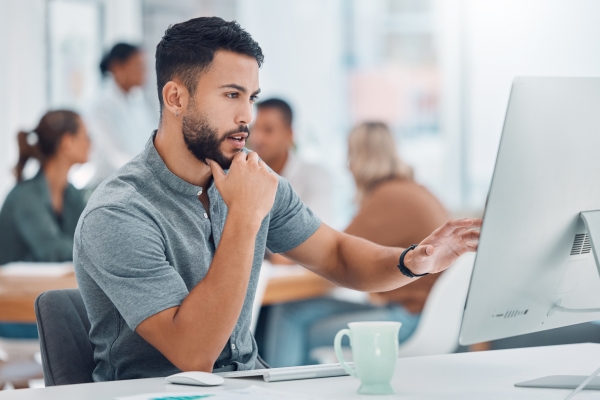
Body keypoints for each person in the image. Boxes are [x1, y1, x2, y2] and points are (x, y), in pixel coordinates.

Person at [73, 17, 481, 382]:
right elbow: (193, 355)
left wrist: (411, 260)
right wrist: (246, 216)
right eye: (232, 95)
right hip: (159, 393)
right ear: (176, 98)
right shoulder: (119, 213)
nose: (247, 116)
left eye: (251, 97)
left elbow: (337, 255)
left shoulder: (255, 180)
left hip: (250, 385)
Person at [257, 122, 450, 367]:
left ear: (359, 158)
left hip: (408, 319)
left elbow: (328, 253)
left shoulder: (387, 197)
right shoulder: (415, 190)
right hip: (427, 315)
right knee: (292, 311)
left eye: (349, 155)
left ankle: (280, 392)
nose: (345, 165)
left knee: (290, 317)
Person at [0, 110, 90, 338]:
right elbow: (53, 249)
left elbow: (86, 239)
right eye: (86, 137)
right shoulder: (24, 196)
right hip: (16, 308)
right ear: (67, 142)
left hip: (49, 301)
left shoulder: (71, 194)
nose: (90, 144)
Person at [249, 98, 333, 225]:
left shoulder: (315, 176)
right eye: (254, 129)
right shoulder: (244, 175)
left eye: (268, 130)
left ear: (289, 134)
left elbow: (316, 230)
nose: (256, 138)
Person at [85, 43, 158, 185]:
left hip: (138, 179)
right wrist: (148, 173)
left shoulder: (137, 101)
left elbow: (154, 138)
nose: (145, 73)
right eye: (138, 66)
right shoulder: (101, 105)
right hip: (111, 183)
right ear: (117, 67)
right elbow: (113, 155)